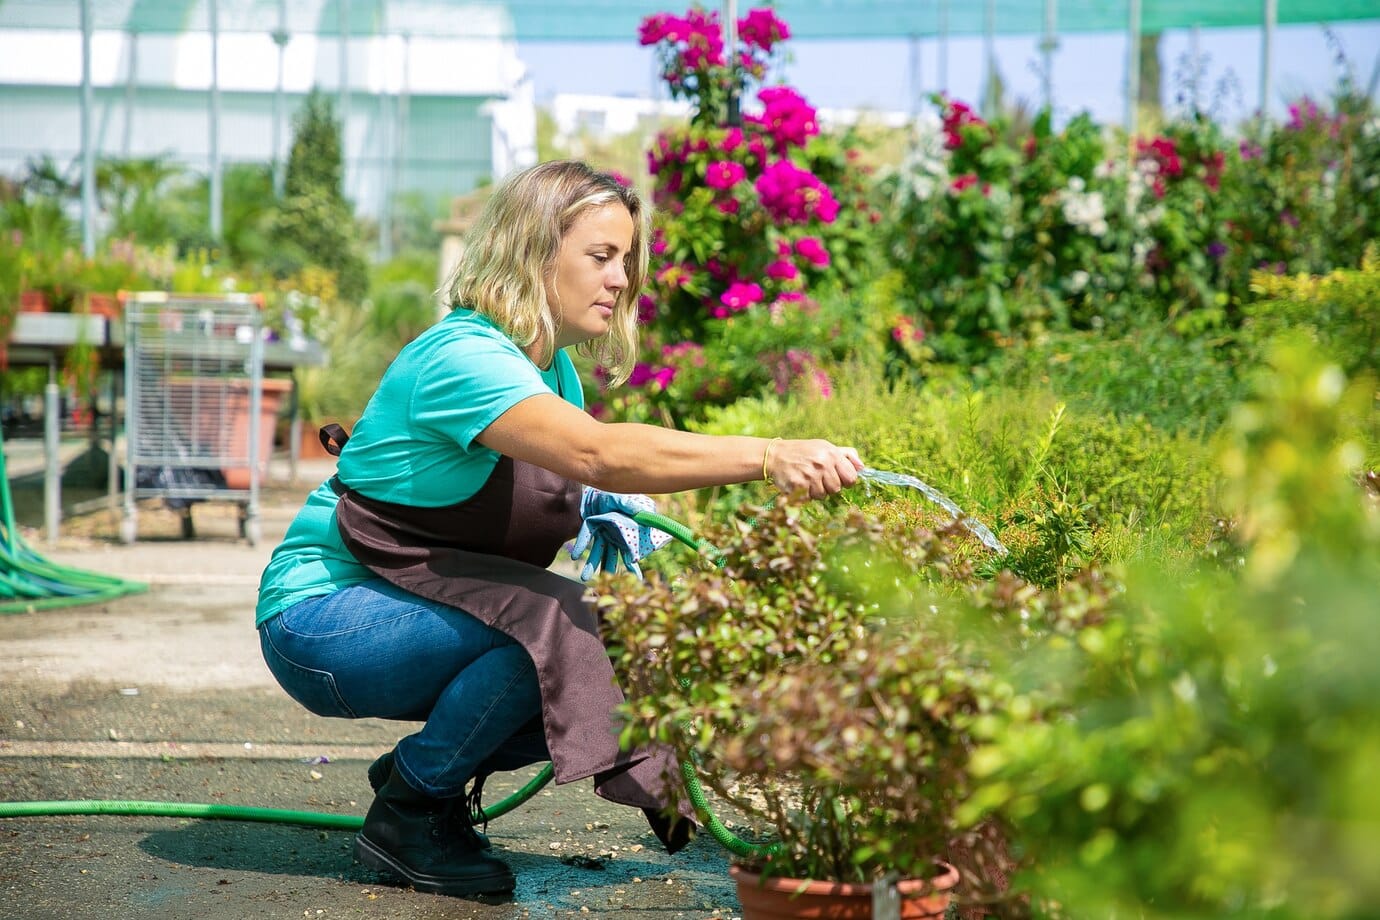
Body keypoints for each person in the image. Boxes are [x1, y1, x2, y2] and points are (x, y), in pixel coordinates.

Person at [254, 159, 863, 899]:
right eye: (600, 257)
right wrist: (768, 455)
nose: (621, 279)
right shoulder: (463, 358)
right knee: (552, 634)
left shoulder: (552, 370)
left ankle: (425, 776)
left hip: (411, 610)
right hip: (322, 620)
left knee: (611, 651)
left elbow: (584, 471)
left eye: (626, 260)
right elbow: (600, 453)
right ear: (533, 254)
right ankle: (410, 812)